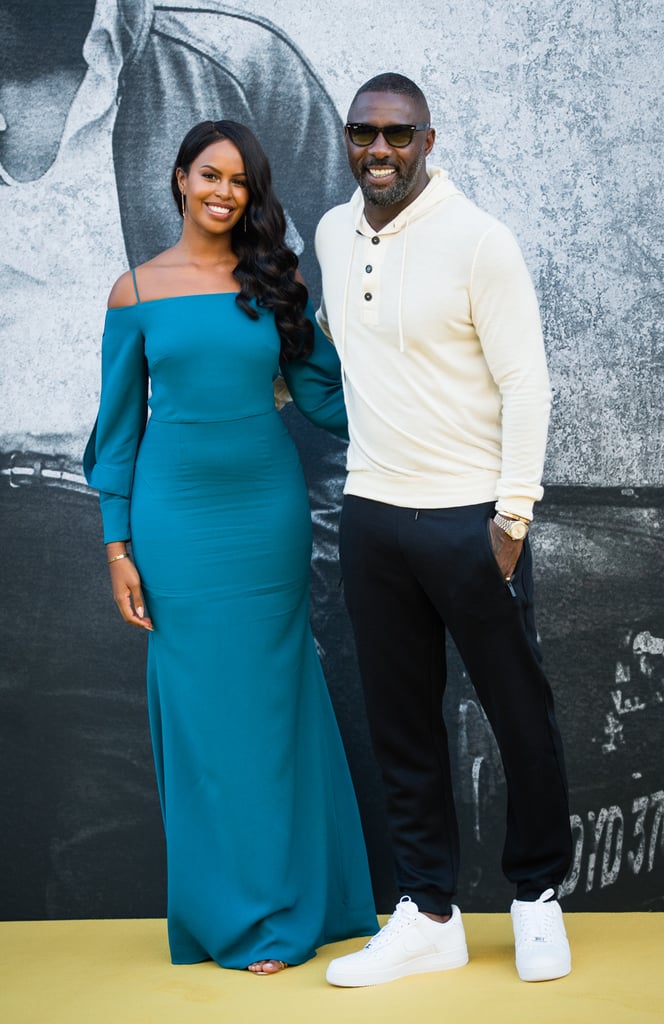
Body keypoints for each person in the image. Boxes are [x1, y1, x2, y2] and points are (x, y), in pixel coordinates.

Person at [0, 0, 356, 921]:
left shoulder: (235, 70)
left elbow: (351, 374)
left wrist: (302, 585)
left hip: (155, 556)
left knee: (116, 888)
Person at [83, 119, 377, 972]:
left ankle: (291, 908)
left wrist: (427, 422)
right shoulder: (133, 293)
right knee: (205, 721)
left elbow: (328, 400)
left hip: (266, 514)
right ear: (179, 180)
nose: (224, 192)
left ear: (252, 195)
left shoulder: (272, 280)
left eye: (240, 182)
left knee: (273, 710)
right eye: (209, 175)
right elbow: (117, 432)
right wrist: (117, 546)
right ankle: (234, 915)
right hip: (176, 524)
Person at [315, 73, 573, 986]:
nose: (378, 151)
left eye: (397, 135)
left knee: (518, 714)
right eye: (363, 134)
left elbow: (527, 384)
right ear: (348, 140)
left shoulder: (479, 242)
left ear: (428, 139)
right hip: (374, 515)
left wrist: (510, 517)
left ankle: (538, 896)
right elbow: (339, 353)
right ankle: (428, 913)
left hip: (473, 518)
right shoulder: (331, 234)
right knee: (402, 725)